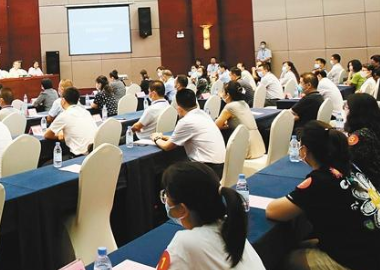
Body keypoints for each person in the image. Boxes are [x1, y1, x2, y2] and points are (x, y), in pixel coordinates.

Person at [266, 122, 380, 270]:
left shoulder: (320, 180)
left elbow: (273, 211)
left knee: (286, 259)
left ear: (304, 150)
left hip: (360, 261)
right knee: (299, 244)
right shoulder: (350, 166)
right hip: (370, 248)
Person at [158, 162, 266, 270]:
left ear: (181, 209)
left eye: (167, 194)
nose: (165, 199)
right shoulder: (230, 227)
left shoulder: (185, 242)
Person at [152, 89, 226, 177]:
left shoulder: (186, 121)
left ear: (178, 107)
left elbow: (167, 147)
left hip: (207, 168)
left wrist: (156, 138)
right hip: (221, 165)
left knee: (169, 170)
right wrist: (166, 138)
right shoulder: (204, 114)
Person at [214, 81, 265, 159]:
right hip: (259, 145)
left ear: (228, 95)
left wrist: (225, 126)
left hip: (247, 147)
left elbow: (216, 126)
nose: (221, 94)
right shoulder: (244, 103)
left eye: (223, 92)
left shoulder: (230, 107)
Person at [44, 87, 98, 157]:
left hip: (81, 156)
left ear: (63, 100)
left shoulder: (64, 115)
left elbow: (47, 135)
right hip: (95, 152)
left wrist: (61, 136)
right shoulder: (86, 112)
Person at [344, 93, 380, 187]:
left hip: (369, 187)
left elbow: (343, 160)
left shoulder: (359, 137)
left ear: (354, 112)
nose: (344, 110)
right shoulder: (373, 128)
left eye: (347, 108)